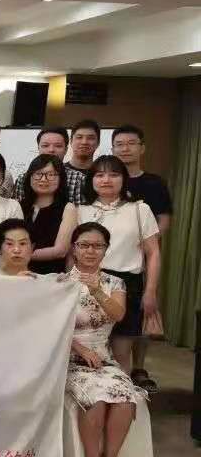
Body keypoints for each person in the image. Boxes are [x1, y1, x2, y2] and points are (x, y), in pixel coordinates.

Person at [65, 221, 145, 457]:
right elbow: (52, 327)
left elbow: (118, 315)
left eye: (98, 246)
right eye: (84, 245)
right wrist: (80, 349)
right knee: (97, 399)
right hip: (70, 359)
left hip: (104, 359)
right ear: (74, 249)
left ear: (106, 249)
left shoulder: (115, 282)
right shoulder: (60, 283)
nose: (91, 251)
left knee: (124, 395)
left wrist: (97, 289)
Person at [77, 155, 161, 384]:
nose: (106, 180)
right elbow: (72, 253)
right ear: (91, 180)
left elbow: (153, 253)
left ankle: (122, 394)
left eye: (113, 174)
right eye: (100, 175)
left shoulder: (140, 209)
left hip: (127, 284)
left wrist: (150, 291)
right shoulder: (81, 210)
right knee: (87, 348)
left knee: (121, 352)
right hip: (88, 282)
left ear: (124, 179)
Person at [110, 124, 171, 393]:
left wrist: (146, 242)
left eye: (131, 143)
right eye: (119, 144)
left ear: (142, 148)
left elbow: (164, 219)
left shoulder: (154, 183)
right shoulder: (106, 179)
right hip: (112, 257)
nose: (125, 148)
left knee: (143, 310)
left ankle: (139, 366)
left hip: (143, 255)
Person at [19, 154, 77, 274]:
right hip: (18, 274)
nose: (43, 179)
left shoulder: (68, 208)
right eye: (38, 174)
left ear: (61, 179)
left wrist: (20, 255)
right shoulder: (18, 206)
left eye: (51, 175)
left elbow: (60, 251)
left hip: (51, 276)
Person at [15, 127, 70, 203]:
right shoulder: (23, 179)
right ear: (38, 148)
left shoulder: (78, 179)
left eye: (58, 146)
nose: (51, 150)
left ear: (66, 150)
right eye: (45, 145)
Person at [64, 120, 100, 206]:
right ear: (71, 141)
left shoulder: (103, 175)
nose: (84, 142)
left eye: (90, 138)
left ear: (98, 143)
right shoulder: (60, 172)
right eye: (79, 137)